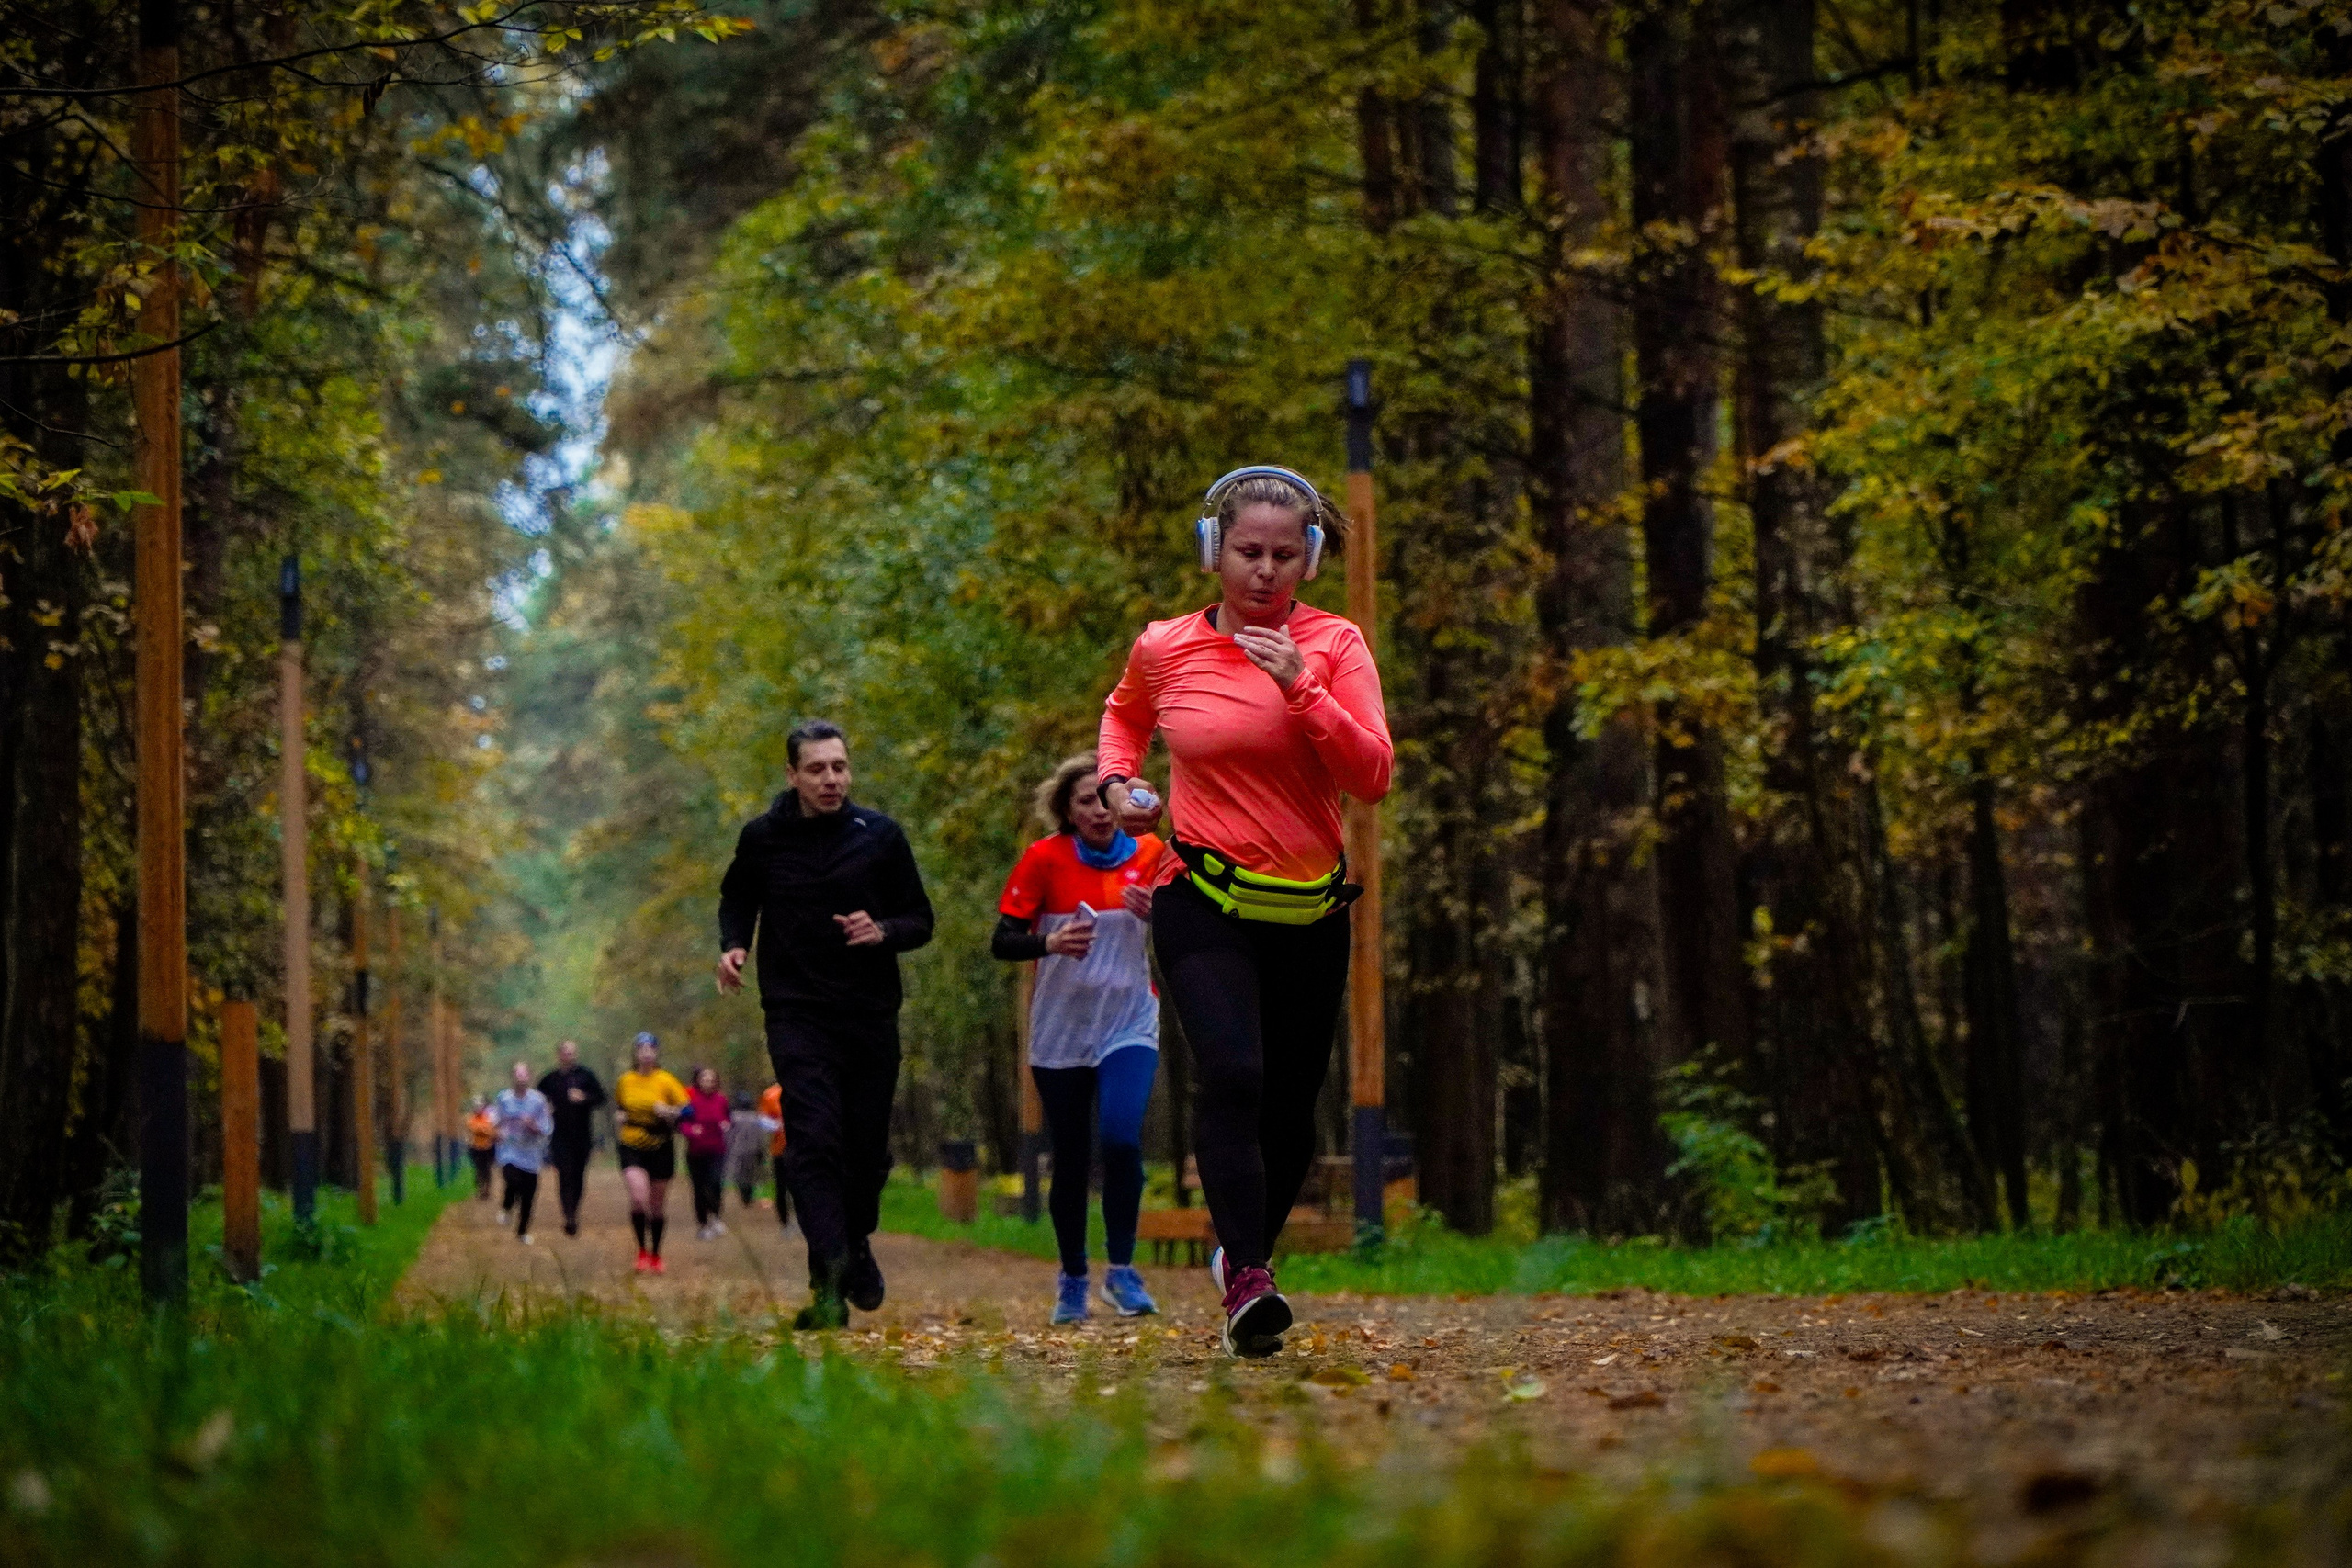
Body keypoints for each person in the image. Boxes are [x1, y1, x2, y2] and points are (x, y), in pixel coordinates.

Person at [1096, 466, 1391, 1359]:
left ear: (1307, 558)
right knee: (1234, 1072)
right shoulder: (1165, 645)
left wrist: (1304, 686)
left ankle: (1240, 1249)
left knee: (1292, 1107)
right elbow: (1122, 716)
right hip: (1201, 895)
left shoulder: (1335, 645)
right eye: (1246, 552)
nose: (1263, 571)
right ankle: (1251, 1279)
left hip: (1306, 906)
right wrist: (1118, 784)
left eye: (1282, 554)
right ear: (1212, 552)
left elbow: (1370, 774)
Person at [717, 718, 934, 1330]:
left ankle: (854, 1242)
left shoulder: (881, 836)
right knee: (814, 1141)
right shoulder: (762, 839)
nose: (831, 778)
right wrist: (734, 945)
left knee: (866, 1154)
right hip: (795, 1011)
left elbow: (920, 917)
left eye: (839, 766)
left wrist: (884, 929)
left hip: (868, 1013)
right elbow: (738, 898)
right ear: (792, 775)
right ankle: (830, 1278)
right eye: (817, 768)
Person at [993, 750, 1168, 1324]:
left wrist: (1160, 915)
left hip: (1129, 1021)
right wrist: (1048, 943)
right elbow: (1003, 940)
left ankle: (1121, 1271)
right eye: (1086, 800)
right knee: (1069, 1156)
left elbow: (1192, 937)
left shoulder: (1152, 854)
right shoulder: (1042, 861)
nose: (1098, 809)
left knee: (1120, 1138)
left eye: (1106, 797)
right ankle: (1072, 1277)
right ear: (1067, 810)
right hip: (1061, 1031)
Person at [614, 1032, 690, 1274]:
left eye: (651, 1049)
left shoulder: (665, 1080)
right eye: (641, 1049)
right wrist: (620, 1116)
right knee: (638, 1198)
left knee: (657, 1206)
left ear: (656, 1053)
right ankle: (641, 1251)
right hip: (632, 1143)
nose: (646, 1053)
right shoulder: (626, 1080)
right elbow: (619, 1105)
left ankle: (656, 1253)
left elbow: (689, 1111)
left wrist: (669, 1111)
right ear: (635, 1054)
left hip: (660, 1145)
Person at [538, 1038, 607, 1237]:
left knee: (578, 1176)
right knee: (565, 1175)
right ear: (559, 1055)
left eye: (573, 1052)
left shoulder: (586, 1076)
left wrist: (584, 1098)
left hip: (582, 1136)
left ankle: (574, 1210)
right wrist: (546, 1108)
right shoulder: (550, 1079)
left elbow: (601, 1098)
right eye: (566, 1052)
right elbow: (536, 1101)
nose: (570, 1055)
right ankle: (569, 1216)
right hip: (559, 1137)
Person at [492, 1060, 554, 1244]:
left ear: (530, 1077)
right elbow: (496, 1122)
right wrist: (496, 1133)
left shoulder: (538, 1101)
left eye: (524, 1074)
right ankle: (507, 1206)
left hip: (531, 1153)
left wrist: (533, 1126)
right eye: (517, 1074)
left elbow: (546, 1127)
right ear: (513, 1077)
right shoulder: (504, 1098)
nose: (521, 1078)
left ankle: (522, 1232)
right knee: (512, 1180)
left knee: (528, 1196)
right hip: (509, 1150)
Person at [680, 1066, 733, 1240]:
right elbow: (681, 1123)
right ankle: (703, 1224)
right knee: (699, 1188)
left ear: (716, 1082)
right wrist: (690, 1130)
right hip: (696, 1151)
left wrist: (726, 1124)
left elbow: (728, 1118)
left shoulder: (721, 1100)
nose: (708, 1082)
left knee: (715, 1182)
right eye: (705, 1079)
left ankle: (716, 1216)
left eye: (711, 1080)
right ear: (698, 1081)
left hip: (717, 1149)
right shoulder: (690, 1099)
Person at [755, 1080, 791, 1229]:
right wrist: (777, 1125)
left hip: (806, 1151)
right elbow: (762, 1119)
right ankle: (785, 1221)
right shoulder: (771, 1094)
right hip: (780, 1150)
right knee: (781, 1187)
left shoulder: (809, 1088)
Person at [726, 1089, 765, 1209]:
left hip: (738, 1150)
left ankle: (745, 1196)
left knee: (740, 1175)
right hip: (752, 1150)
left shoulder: (733, 1117)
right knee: (750, 1174)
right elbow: (760, 1136)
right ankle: (748, 1196)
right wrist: (760, 1150)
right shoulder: (756, 1118)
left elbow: (728, 1135)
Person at [466, 1096, 497, 1200]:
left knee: (487, 1169)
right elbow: (472, 1129)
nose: (478, 1109)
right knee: (479, 1170)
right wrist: (484, 1130)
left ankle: (486, 1189)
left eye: (480, 1107)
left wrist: (482, 1130)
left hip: (487, 1148)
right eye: (476, 1107)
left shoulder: (488, 1118)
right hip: (475, 1148)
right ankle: (480, 1189)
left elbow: (491, 1131)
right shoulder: (471, 1118)